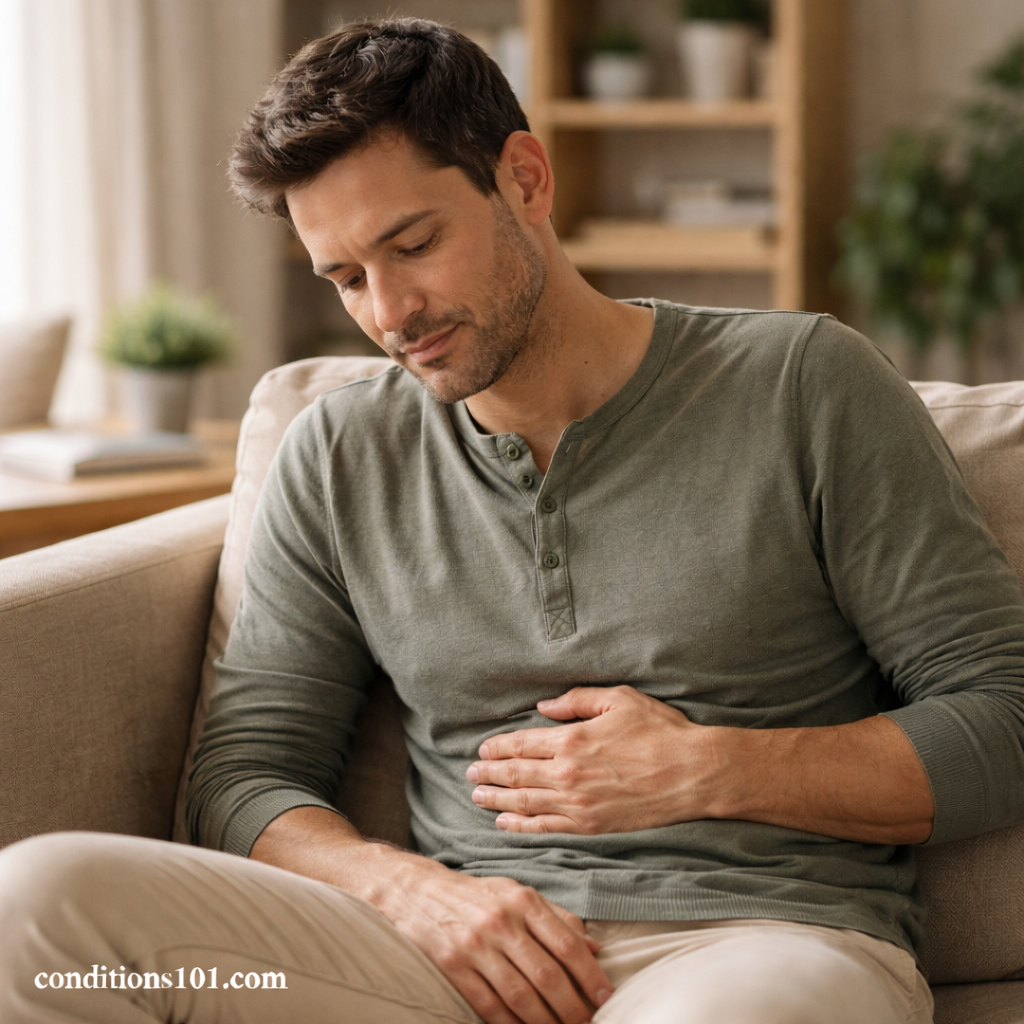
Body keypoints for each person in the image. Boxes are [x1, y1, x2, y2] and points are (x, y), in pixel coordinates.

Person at [2, 17, 1024, 1024]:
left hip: (756, 945)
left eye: (413, 244)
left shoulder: (803, 384)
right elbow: (243, 776)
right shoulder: (341, 452)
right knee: (39, 904)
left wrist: (704, 767)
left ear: (525, 180)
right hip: (443, 963)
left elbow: (1005, 717)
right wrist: (405, 891)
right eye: (347, 278)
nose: (389, 313)